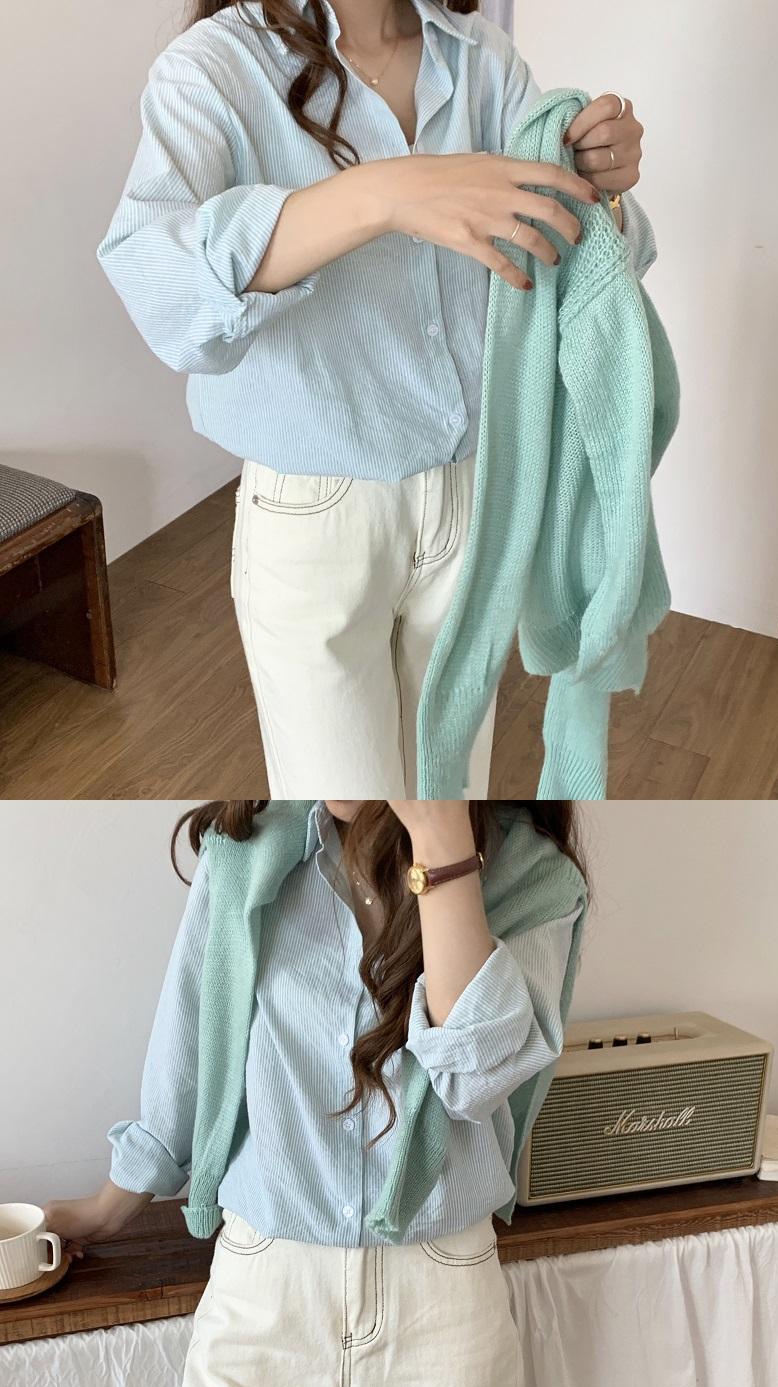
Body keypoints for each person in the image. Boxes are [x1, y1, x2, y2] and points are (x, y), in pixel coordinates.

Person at [98, 4, 648, 795]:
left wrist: (601, 183)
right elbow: (160, 288)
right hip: (315, 510)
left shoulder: (481, 59)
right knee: (346, 816)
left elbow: (585, 254)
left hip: (479, 494)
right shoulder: (212, 68)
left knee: (449, 788)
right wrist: (381, 195)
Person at [48, 797, 587, 1387]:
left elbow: (475, 1082)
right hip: (264, 1288)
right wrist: (105, 1208)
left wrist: (441, 838)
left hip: (440, 1296)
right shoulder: (249, 855)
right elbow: (190, 1048)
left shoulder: (532, 878)